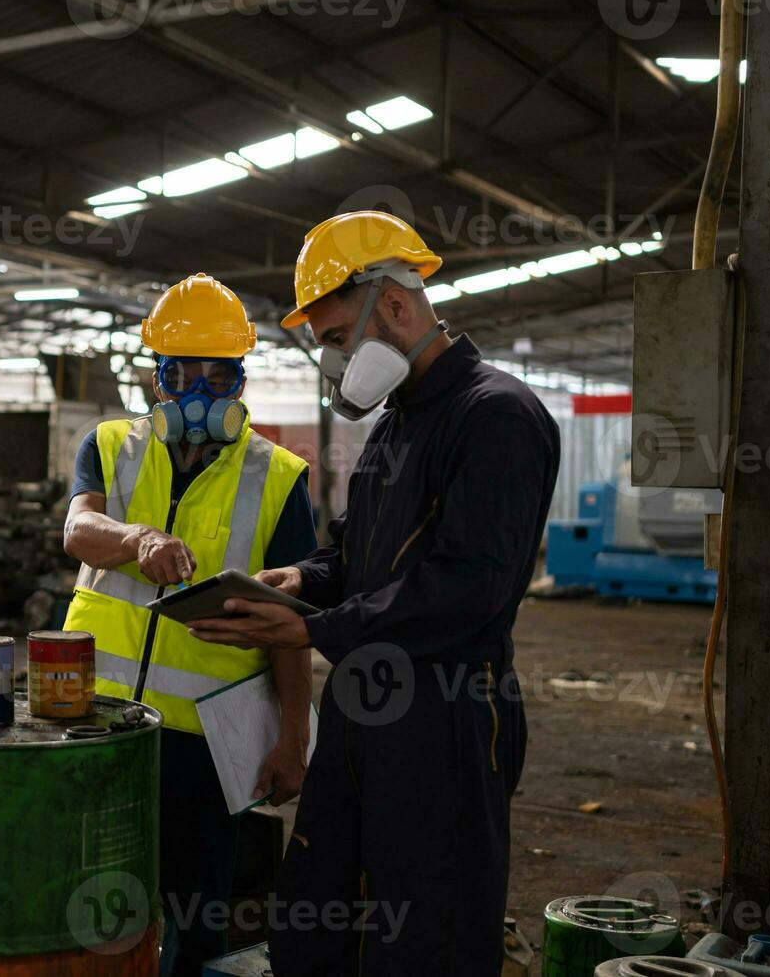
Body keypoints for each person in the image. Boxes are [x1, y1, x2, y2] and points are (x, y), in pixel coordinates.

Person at [187, 211, 560, 976]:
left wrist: (313, 633)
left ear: (393, 303)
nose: (331, 363)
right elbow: (356, 557)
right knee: (319, 907)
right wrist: (300, 582)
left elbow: (468, 586)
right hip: (365, 706)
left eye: (332, 341)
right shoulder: (397, 426)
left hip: (449, 714)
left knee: (429, 925)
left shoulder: (496, 417)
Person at [61, 272, 319, 976]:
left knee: (194, 914)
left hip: (207, 740)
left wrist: (294, 736)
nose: (198, 392)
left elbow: (289, 629)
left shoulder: (280, 476)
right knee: (90, 901)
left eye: (217, 374)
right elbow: (78, 530)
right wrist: (139, 540)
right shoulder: (111, 445)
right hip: (97, 723)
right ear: (156, 377)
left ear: (240, 381)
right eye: (182, 372)